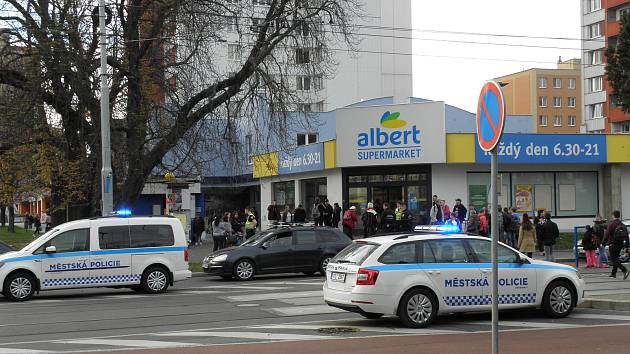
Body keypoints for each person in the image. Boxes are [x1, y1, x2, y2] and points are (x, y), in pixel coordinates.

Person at [604, 210, 629, 279]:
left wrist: (603, 244)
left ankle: (625, 270)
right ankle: (613, 273)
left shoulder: (611, 224)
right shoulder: (622, 224)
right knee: (616, 258)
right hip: (620, 244)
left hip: (613, 244)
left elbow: (607, 235)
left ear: (613, 215)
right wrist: (627, 246)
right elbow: (626, 236)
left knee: (613, 260)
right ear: (619, 215)